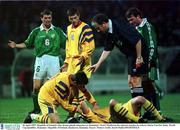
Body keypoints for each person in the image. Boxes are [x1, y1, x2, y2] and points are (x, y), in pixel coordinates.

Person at [8, 9, 66, 118]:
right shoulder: (36, 31)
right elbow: (27, 43)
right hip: (40, 60)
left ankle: (51, 109)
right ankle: (36, 108)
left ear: (51, 18)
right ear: (41, 18)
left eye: (49, 18)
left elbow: (67, 43)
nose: (47, 20)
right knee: (36, 87)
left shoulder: (58, 31)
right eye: (45, 18)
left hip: (54, 60)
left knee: (53, 87)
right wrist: (16, 45)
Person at [89, 13, 149, 99]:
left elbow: (137, 40)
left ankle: (143, 108)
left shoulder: (119, 27)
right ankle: (140, 107)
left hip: (139, 54)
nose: (98, 31)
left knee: (136, 81)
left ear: (104, 24)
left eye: (98, 28)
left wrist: (139, 57)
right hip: (131, 55)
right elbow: (107, 48)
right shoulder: (109, 32)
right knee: (131, 82)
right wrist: (98, 63)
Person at [61, 7, 98, 118]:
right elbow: (68, 47)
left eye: (75, 18)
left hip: (82, 61)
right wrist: (66, 62)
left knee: (76, 87)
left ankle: (75, 115)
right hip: (72, 62)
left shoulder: (85, 28)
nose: (73, 20)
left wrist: (84, 56)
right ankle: (92, 106)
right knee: (74, 88)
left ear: (79, 16)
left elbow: (91, 45)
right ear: (68, 18)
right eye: (71, 18)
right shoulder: (68, 28)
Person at [125, 7, 162, 118]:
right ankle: (149, 111)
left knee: (149, 85)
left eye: (132, 19)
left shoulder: (147, 27)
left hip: (149, 62)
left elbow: (152, 46)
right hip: (139, 64)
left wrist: (149, 61)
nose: (130, 22)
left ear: (138, 16)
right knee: (141, 87)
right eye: (129, 21)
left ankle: (157, 112)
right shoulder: (136, 29)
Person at [76, 96, 172, 123]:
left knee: (140, 99)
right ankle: (137, 120)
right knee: (112, 101)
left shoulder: (95, 111)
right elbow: (82, 103)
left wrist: (94, 104)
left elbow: (84, 104)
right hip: (114, 119)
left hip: (125, 109)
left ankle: (160, 118)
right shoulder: (91, 118)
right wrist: (80, 113)